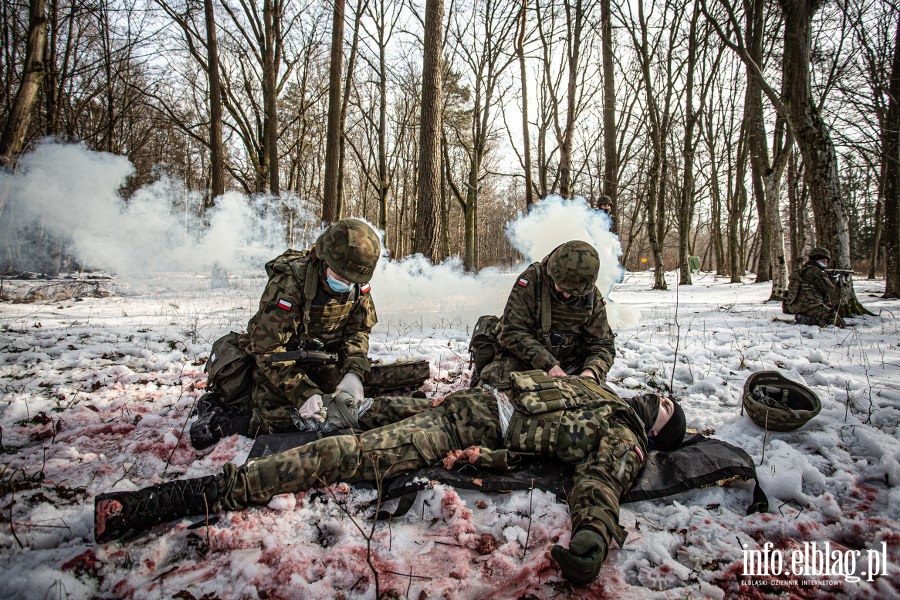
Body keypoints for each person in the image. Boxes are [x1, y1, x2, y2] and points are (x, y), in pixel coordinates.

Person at [94, 372, 687, 585]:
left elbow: (602, 483)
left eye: (663, 407)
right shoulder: (597, 389)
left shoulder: (623, 434)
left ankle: (170, 499)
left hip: (452, 429)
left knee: (339, 453)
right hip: (464, 405)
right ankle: (240, 415)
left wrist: (592, 535)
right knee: (350, 410)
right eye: (659, 395)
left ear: (657, 433)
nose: (655, 398)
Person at [194, 218, 386, 447]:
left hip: (322, 362)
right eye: (339, 277)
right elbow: (267, 349)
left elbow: (358, 332)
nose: (346, 284)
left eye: (351, 281)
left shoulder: (356, 282)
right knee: (285, 417)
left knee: (342, 410)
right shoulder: (290, 282)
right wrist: (303, 392)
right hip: (281, 366)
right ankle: (223, 421)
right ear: (324, 260)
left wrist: (354, 371)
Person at [477, 240, 616, 389]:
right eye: (563, 288)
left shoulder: (591, 295)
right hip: (526, 360)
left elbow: (603, 344)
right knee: (499, 386)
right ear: (552, 271)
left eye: (574, 293)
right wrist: (548, 365)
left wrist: (591, 372)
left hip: (570, 366)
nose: (567, 296)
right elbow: (512, 332)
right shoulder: (531, 281)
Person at [783, 247, 845, 328]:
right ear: (815, 259)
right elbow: (829, 289)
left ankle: (804, 317)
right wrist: (833, 279)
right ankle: (808, 320)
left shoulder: (800, 271)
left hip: (795, 307)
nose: (825, 264)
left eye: (826, 262)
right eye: (823, 261)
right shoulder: (816, 271)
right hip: (811, 306)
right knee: (837, 321)